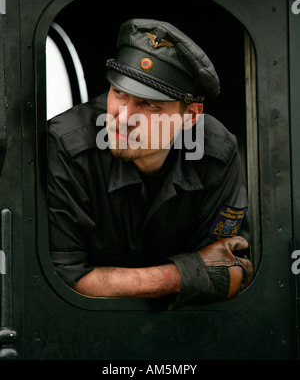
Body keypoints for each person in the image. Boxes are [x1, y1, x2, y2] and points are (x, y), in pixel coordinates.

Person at [47, 18, 252, 309]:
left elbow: (230, 268)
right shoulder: (69, 146)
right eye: (119, 92)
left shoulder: (215, 152)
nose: (124, 116)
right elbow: (65, 280)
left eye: (149, 104)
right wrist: (179, 277)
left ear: (190, 116)